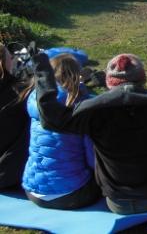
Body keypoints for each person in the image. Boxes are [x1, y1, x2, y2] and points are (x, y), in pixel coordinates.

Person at [34, 52, 147, 214]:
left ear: (109, 81)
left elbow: (50, 118)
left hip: (116, 202)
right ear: (143, 78)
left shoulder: (92, 110)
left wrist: (43, 69)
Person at [22, 53, 100, 209]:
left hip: (32, 191)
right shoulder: (80, 106)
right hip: (70, 193)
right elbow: (93, 161)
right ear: (76, 74)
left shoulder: (35, 98)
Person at [0, 43, 30, 189]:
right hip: (6, 175)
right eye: (10, 57)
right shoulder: (21, 92)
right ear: (4, 62)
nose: (13, 59)